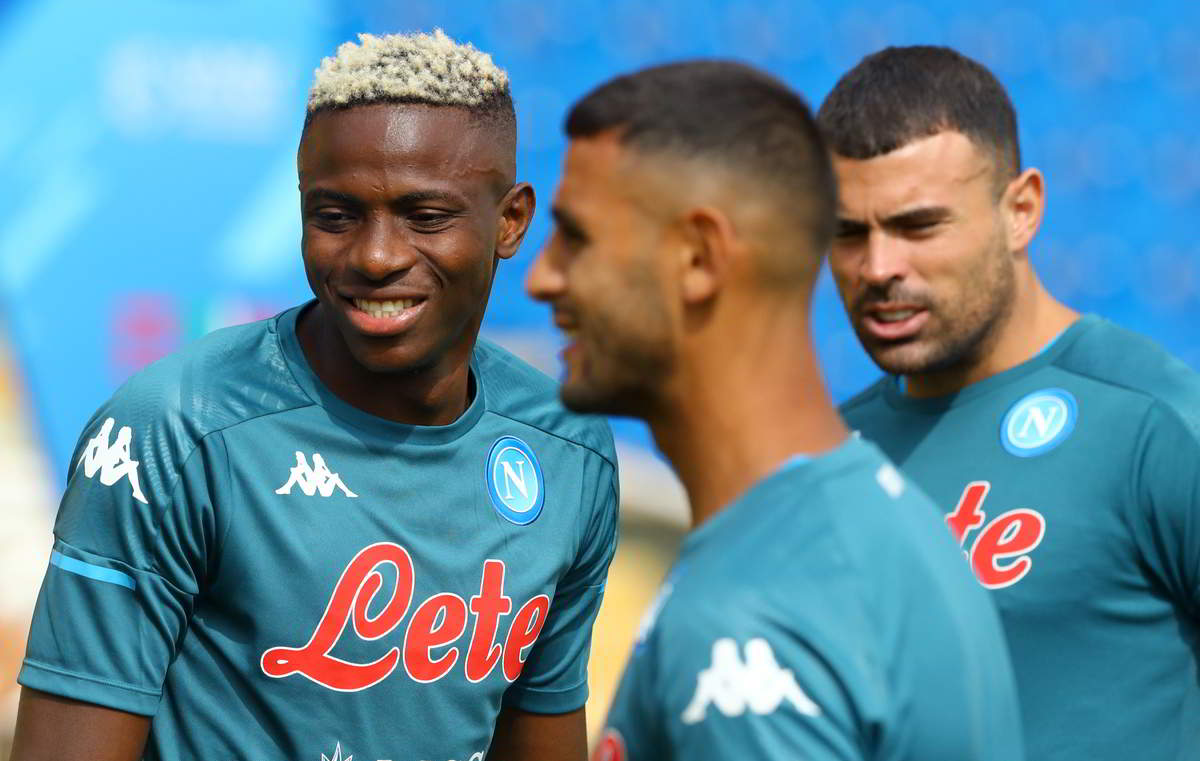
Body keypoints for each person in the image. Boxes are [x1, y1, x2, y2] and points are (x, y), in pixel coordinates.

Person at [11, 30, 618, 761]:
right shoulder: (172, 431)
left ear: (511, 221)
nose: (376, 255)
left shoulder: (567, 448)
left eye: (426, 217)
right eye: (336, 215)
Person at [526, 60, 1023, 761]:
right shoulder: (871, 523)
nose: (542, 277)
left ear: (699, 257)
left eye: (576, 238)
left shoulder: (752, 616)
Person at [820, 45, 1200, 760]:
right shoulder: (830, 458)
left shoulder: (1154, 423)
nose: (879, 267)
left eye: (919, 226)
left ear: (1021, 210)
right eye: (847, 234)